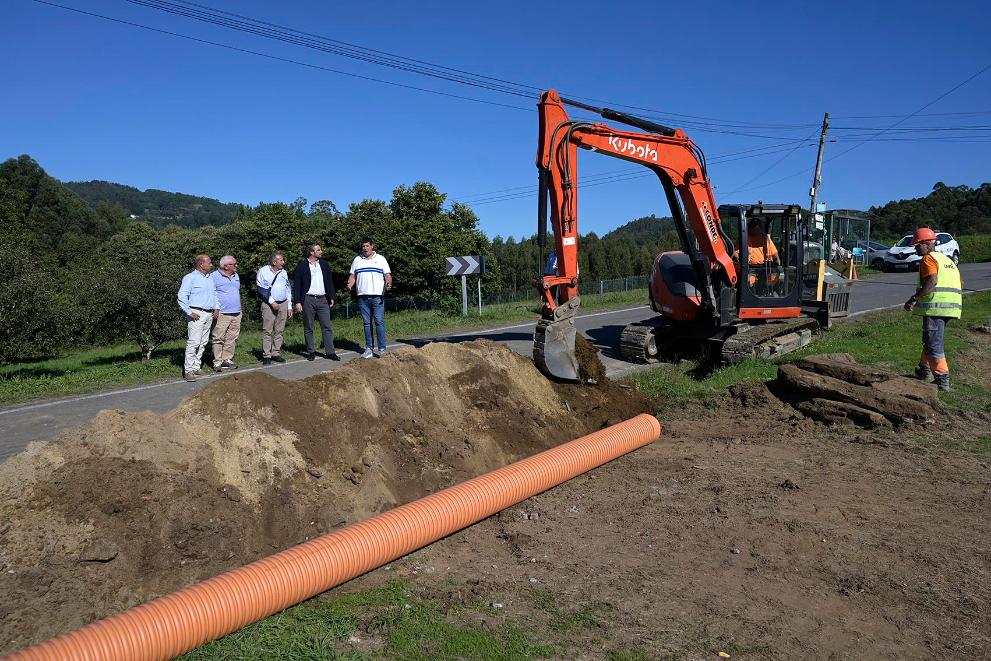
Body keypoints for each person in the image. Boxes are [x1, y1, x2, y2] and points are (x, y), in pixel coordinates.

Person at [903, 227, 962, 391]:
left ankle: (942, 381)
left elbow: (932, 281)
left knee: (933, 345)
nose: (915, 248)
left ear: (928, 244)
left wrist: (914, 298)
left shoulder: (928, 259)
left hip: (936, 308)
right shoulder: (947, 260)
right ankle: (925, 371)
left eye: (917, 245)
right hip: (951, 308)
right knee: (930, 342)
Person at [292, 243, 340, 361]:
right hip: (308, 299)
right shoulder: (302, 266)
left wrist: (332, 296)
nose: (321, 251)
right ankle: (311, 351)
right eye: (318, 250)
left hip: (323, 299)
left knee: (327, 326)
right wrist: (297, 301)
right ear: (311, 252)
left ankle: (330, 352)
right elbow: (297, 284)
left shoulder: (324, 264)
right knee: (309, 326)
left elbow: (329, 281)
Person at [347, 238, 392, 358]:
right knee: (367, 323)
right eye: (363, 246)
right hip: (362, 296)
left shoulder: (380, 259)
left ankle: (382, 349)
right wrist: (350, 284)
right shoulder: (357, 260)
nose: (365, 248)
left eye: (367, 246)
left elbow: (387, 275)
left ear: (372, 246)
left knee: (379, 321)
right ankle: (369, 349)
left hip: (377, 296)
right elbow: (352, 275)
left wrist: (388, 283)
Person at [177, 254, 219, 382]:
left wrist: (216, 307)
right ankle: (188, 370)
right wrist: (189, 312)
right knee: (194, 342)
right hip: (196, 312)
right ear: (201, 264)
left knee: (203, 342)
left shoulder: (210, 278)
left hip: (208, 313)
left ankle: (196, 367)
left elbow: (215, 293)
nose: (211, 265)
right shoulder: (190, 278)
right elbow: (181, 296)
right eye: (209, 263)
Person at [256, 252, 294, 365]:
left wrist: (289, 306)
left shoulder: (284, 272)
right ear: (274, 262)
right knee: (267, 330)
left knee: (280, 330)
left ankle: (276, 353)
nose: (283, 262)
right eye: (281, 260)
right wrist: (272, 302)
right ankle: (266, 355)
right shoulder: (263, 271)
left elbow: (288, 289)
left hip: (283, 303)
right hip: (268, 305)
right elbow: (260, 289)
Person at [210, 255, 242, 372]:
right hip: (222, 313)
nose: (236, 266)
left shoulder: (236, 275)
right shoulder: (214, 276)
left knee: (232, 337)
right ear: (226, 266)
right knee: (218, 337)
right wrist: (215, 308)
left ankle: (227, 359)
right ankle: (217, 361)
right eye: (234, 264)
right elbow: (211, 293)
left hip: (236, 312)